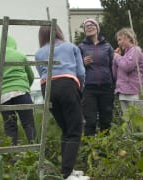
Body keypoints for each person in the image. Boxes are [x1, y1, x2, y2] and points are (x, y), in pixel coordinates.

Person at [35, 25, 89, 180]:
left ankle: (67, 170)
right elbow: (81, 72)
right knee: (75, 129)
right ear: (58, 32)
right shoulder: (70, 47)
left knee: (66, 129)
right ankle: (66, 174)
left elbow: (41, 74)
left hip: (48, 88)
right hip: (67, 84)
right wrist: (80, 90)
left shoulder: (39, 53)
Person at [0, 35, 36, 145]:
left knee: (10, 126)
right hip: (22, 93)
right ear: (14, 44)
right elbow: (31, 76)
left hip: (3, 96)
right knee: (28, 124)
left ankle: (12, 156)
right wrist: (25, 87)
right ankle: (35, 151)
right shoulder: (21, 56)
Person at [78, 18, 114, 136]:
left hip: (106, 87)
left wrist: (114, 84)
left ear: (97, 28)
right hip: (89, 88)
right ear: (84, 31)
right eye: (86, 26)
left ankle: (105, 151)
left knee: (106, 122)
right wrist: (83, 63)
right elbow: (76, 67)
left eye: (92, 24)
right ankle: (89, 150)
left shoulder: (107, 47)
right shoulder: (81, 47)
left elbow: (113, 66)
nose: (89, 26)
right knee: (90, 121)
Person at [112, 28, 143, 122]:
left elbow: (128, 66)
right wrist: (115, 60)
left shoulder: (136, 50)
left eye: (120, 39)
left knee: (139, 120)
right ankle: (130, 136)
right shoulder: (124, 55)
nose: (118, 43)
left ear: (128, 38)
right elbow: (115, 73)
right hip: (122, 91)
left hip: (133, 91)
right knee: (128, 121)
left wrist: (117, 57)